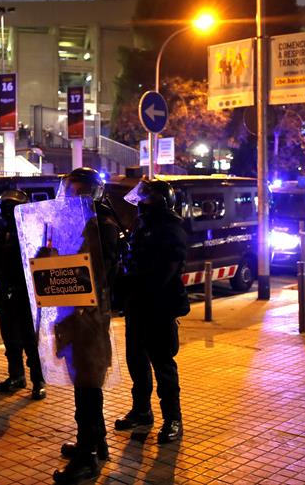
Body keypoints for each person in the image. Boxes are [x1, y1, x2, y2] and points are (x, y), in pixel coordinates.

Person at [53, 167, 121, 485]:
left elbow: (96, 271)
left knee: (88, 384)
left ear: (91, 193)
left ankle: (88, 459)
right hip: (74, 313)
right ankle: (95, 442)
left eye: (76, 192)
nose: (69, 198)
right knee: (83, 382)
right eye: (68, 191)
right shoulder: (78, 222)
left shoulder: (101, 225)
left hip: (90, 316)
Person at [116, 179, 188, 445]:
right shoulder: (142, 227)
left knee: (163, 365)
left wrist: (129, 281)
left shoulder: (171, 231)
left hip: (159, 307)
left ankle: (173, 419)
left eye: (147, 199)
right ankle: (142, 411)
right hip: (137, 307)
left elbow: (161, 275)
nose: (142, 205)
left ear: (159, 202)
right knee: (136, 360)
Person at [0, 189, 45, 400]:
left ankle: (38, 381)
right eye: (5, 208)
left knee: (30, 341)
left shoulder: (31, 231)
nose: (8, 213)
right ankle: (16, 376)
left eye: (11, 208)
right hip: (4, 294)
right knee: (10, 340)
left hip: (24, 294)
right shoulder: (1, 233)